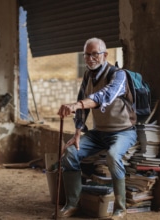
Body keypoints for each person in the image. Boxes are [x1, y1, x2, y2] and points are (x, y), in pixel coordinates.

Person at [56, 37, 137, 219]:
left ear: (105, 55)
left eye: (95, 54)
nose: (90, 58)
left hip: (123, 132)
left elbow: (104, 96)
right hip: (98, 133)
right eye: (87, 54)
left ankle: (120, 208)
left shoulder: (118, 75)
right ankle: (72, 204)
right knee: (70, 153)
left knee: (113, 155)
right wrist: (77, 133)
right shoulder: (87, 75)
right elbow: (82, 102)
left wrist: (77, 105)